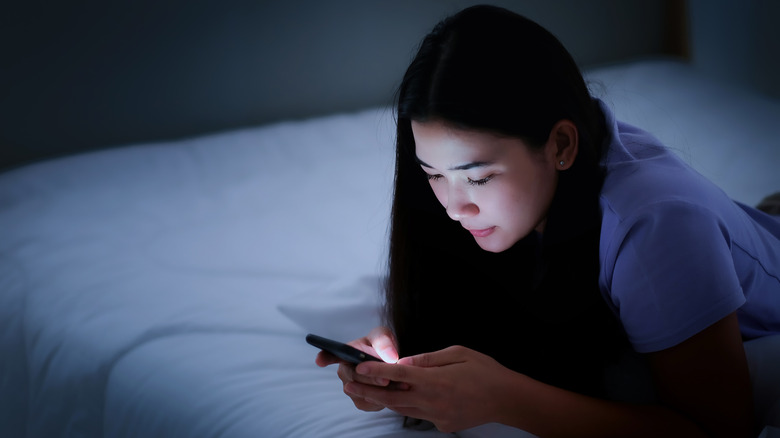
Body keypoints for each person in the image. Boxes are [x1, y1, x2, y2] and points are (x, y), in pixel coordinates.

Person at [315, 5, 780, 437]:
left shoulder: (658, 228)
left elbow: (721, 429)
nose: (455, 208)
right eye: (433, 175)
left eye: (478, 178)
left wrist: (506, 400)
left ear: (561, 146)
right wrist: (403, 356)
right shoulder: (528, 204)